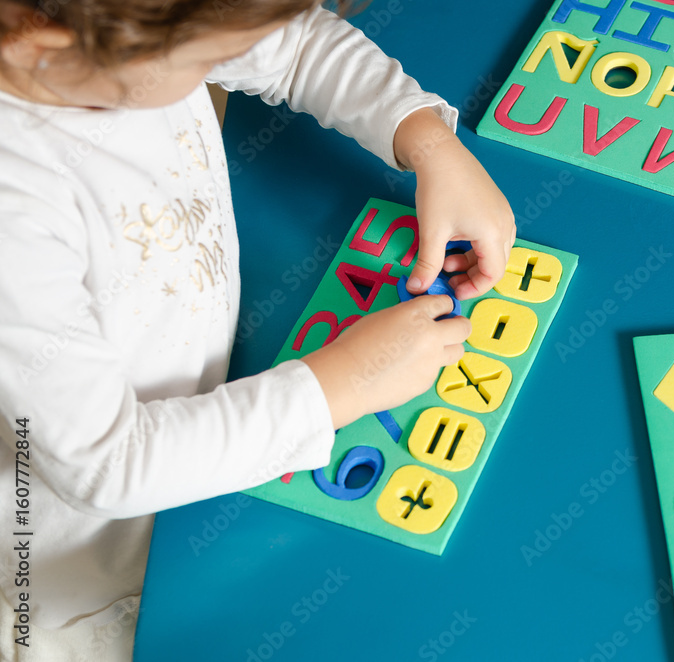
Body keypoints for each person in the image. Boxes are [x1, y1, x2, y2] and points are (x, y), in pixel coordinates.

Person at [0, 0, 515, 659]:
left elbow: (295, 45)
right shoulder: (17, 208)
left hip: (213, 426)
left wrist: (428, 140)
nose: (231, 60)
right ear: (44, 42)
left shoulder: (129, 33)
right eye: (208, 59)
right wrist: (344, 384)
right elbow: (106, 463)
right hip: (93, 575)